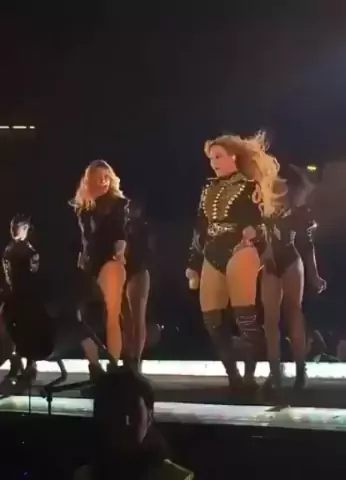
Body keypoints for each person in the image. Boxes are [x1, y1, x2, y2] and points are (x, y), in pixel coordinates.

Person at [185, 131, 282, 392]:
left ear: (234, 157)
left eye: (218, 157)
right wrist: (193, 263)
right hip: (213, 249)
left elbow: (267, 221)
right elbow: (200, 227)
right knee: (211, 319)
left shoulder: (251, 186)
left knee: (244, 317)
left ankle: (251, 374)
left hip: (241, 248)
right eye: (211, 158)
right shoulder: (208, 188)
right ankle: (233, 376)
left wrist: (254, 232)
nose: (213, 163)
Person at [261, 165, 326, 392]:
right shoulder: (262, 208)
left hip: (289, 258)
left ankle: (300, 369)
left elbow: (307, 245)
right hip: (270, 263)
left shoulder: (297, 209)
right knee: (270, 320)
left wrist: (314, 275)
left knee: (293, 313)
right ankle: (275, 372)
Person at [74, 367, 194, 479]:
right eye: (116, 412)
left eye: (133, 411)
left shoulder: (176, 477)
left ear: (149, 416)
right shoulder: (85, 476)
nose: (126, 421)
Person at [71, 160, 129, 381]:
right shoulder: (83, 207)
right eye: (99, 178)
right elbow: (84, 240)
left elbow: (120, 233)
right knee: (83, 318)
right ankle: (94, 366)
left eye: (106, 177)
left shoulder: (118, 204)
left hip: (110, 260)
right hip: (88, 263)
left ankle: (114, 364)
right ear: (90, 180)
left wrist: (120, 253)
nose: (103, 182)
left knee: (112, 314)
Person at [1, 214, 42, 383]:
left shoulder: (31, 252)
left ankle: (30, 364)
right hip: (13, 296)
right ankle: (16, 361)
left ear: (25, 229)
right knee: (10, 327)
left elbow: (34, 276)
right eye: (12, 227)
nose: (14, 230)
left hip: (27, 297)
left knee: (27, 327)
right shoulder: (9, 249)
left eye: (17, 227)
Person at [123, 200, 153, 372]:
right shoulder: (121, 225)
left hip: (137, 271)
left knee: (137, 318)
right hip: (123, 272)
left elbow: (147, 252)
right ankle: (129, 358)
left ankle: (136, 359)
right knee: (126, 320)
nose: (128, 209)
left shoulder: (142, 228)